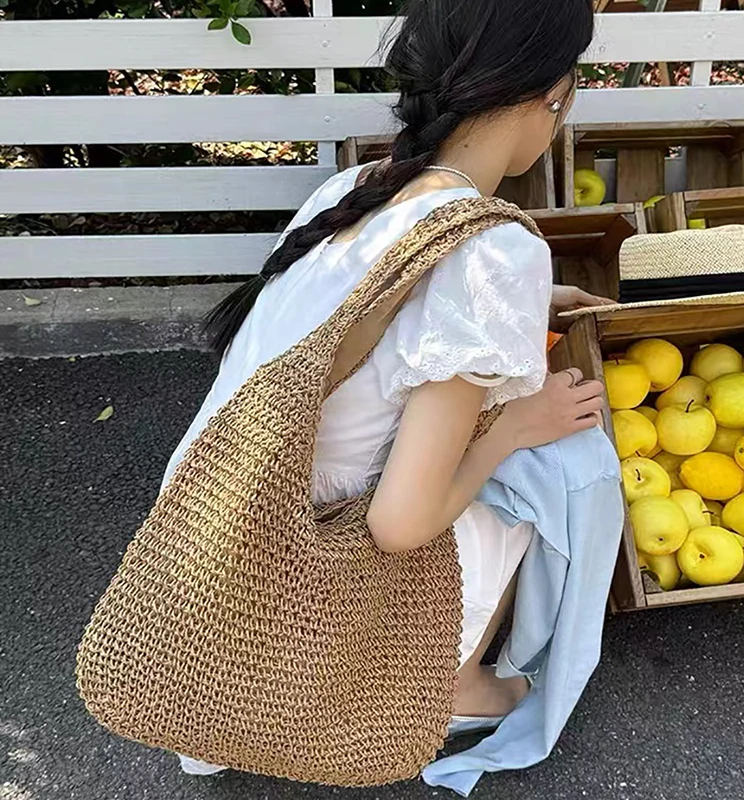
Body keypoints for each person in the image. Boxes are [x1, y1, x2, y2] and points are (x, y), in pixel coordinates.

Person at [164, 0, 609, 770]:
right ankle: (451, 686)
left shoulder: (357, 188)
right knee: (555, 459)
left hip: (213, 536)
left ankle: (295, 681)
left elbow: (382, 314)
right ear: (553, 94)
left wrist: (522, 308)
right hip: (315, 556)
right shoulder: (495, 246)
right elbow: (400, 526)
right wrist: (515, 427)